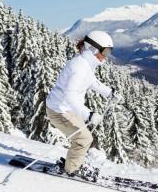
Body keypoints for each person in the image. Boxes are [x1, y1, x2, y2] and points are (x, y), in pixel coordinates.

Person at [45, 30, 121, 181]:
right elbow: (70, 96)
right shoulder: (79, 67)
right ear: (92, 48)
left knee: (83, 138)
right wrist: (88, 115)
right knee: (84, 138)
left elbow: (91, 81)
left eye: (108, 51)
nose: (106, 55)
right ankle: (71, 170)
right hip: (59, 110)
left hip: (67, 109)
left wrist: (108, 92)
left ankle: (72, 163)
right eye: (105, 51)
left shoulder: (85, 64)